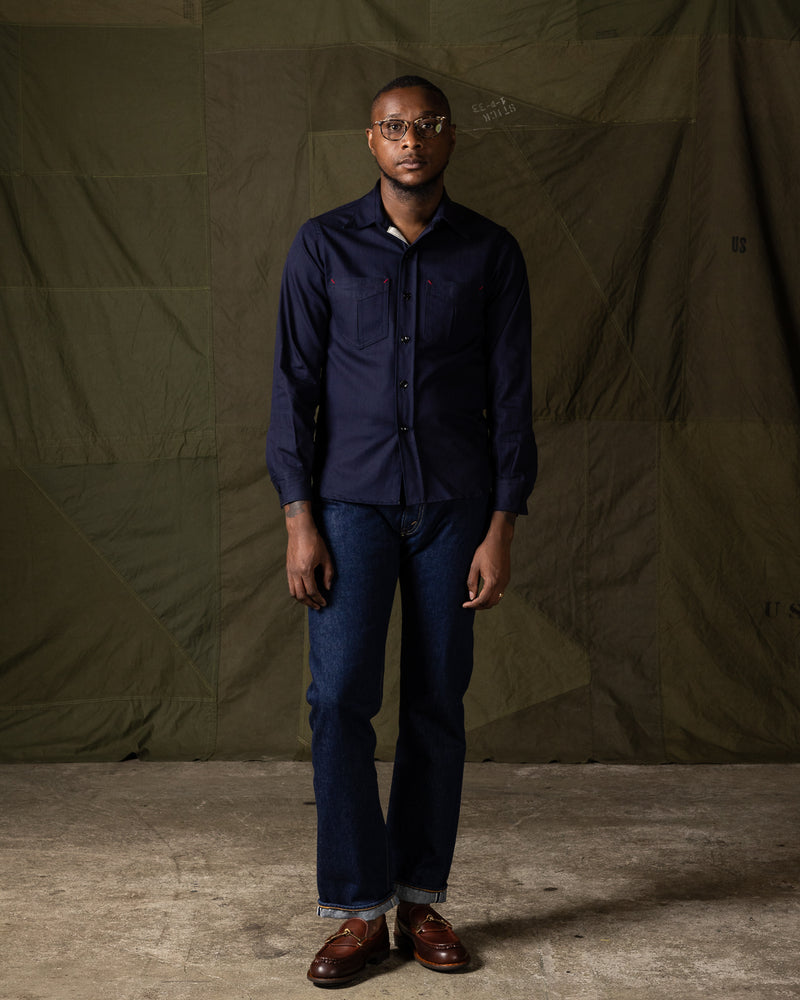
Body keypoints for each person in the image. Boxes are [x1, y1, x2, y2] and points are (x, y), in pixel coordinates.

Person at [266, 74, 537, 987]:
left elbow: (512, 399)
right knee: (340, 699)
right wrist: (299, 519)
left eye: (426, 125)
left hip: (456, 510)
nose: (410, 140)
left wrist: (501, 526)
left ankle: (421, 901)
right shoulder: (323, 246)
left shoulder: (491, 253)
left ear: (450, 138)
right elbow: (293, 389)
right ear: (370, 141)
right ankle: (357, 910)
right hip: (348, 507)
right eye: (393, 127)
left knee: (436, 703)